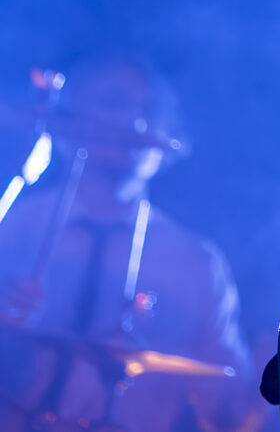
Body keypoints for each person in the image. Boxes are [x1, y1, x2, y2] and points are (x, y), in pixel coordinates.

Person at [0, 57, 253, 432]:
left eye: (150, 111)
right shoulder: (12, 229)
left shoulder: (196, 264)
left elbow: (230, 410)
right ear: (69, 120)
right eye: (113, 103)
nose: (135, 123)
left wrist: (269, 378)